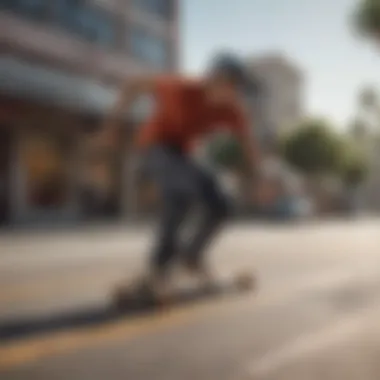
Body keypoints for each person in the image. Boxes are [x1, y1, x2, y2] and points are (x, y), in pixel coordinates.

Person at [99, 53, 261, 298]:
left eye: (236, 89)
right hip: (156, 147)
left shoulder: (232, 109)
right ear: (213, 78)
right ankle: (158, 269)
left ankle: (192, 256)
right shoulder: (181, 87)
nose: (230, 94)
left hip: (185, 154)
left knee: (222, 204)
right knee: (181, 195)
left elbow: (247, 142)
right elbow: (133, 84)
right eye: (228, 86)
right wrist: (113, 124)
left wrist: (256, 174)